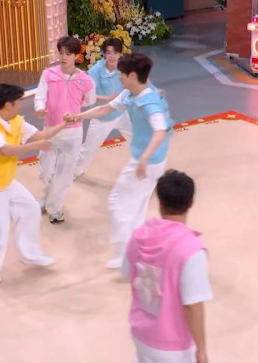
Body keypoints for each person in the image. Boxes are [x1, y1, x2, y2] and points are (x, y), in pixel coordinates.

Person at [71, 53, 173, 269]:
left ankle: (125, 254)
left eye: (122, 74)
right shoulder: (130, 93)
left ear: (133, 75)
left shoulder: (148, 102)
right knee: (136, 208)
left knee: (118, 201)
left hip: (147, 163)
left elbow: (161, 130)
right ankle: (137, 252)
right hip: (147, 161)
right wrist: (79, 116)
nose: (118, 77)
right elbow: (104, 109)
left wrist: (144, 157)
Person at [0, 83, 75, 285]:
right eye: (18, 102)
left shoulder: (15, 120)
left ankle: (31, 254)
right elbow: (5, 151)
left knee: (30, 209)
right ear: (8, 104)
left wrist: (63, 124)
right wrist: (35, 146)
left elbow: (40, 136)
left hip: (6, 181)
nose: (20, 105)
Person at [122, 169, 212, 363]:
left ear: (160, 203)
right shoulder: (191, 250)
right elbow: (192, 306)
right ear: (191, 203)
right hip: (173, 347)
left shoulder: (138, 236)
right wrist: (202, 350)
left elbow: (129, 272)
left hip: (141, 335)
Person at [34, 36, 96, 223]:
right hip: (50, 129)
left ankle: (54, 208)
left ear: (76, 55)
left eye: (68, 54)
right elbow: (40, 96)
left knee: (65, 173)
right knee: (46, 171)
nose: (63, 57)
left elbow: (90, 100)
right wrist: (40, 108)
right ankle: (48, 198)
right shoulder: (48, 74)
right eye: (61, 53)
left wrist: (74, 107)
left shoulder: (86, 80)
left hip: (73, 132)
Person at [73, 37, 133, 179]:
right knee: (88, 149)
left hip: (122, 114)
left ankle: (148, 169)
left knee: (139, 141)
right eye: (109, 53)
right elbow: (87, 96)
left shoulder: (125, 67)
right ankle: (74, 172)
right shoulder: (95, 71)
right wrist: (105, 98)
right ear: (104, 54)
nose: (112, 56)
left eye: (115, 53)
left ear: (120, 54)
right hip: (102, 118)